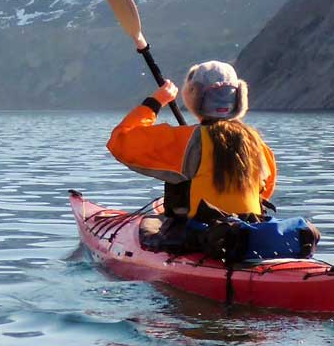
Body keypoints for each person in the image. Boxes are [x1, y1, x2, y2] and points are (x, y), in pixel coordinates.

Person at [107, 60, 280, 251]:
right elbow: (265, 191)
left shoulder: (187, 141)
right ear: (239, 98)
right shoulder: (258, 144)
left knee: (150, 225)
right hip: (250, 236)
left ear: (193, 96)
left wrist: (155, 102)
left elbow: (121, 140)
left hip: (202, 239)